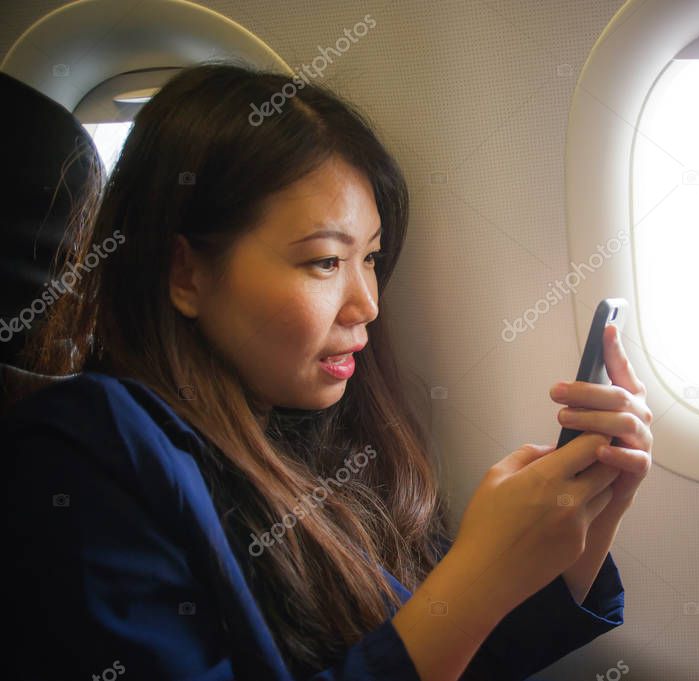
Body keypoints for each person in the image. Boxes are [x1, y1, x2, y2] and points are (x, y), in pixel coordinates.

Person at [2, 61, 653, 681]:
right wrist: (477, 575)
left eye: (369, 257)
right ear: (186, 272)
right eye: (322, 261)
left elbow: (446, 656)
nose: (367, 302)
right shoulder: (80, 453)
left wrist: (585, 517)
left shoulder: (301, 435)